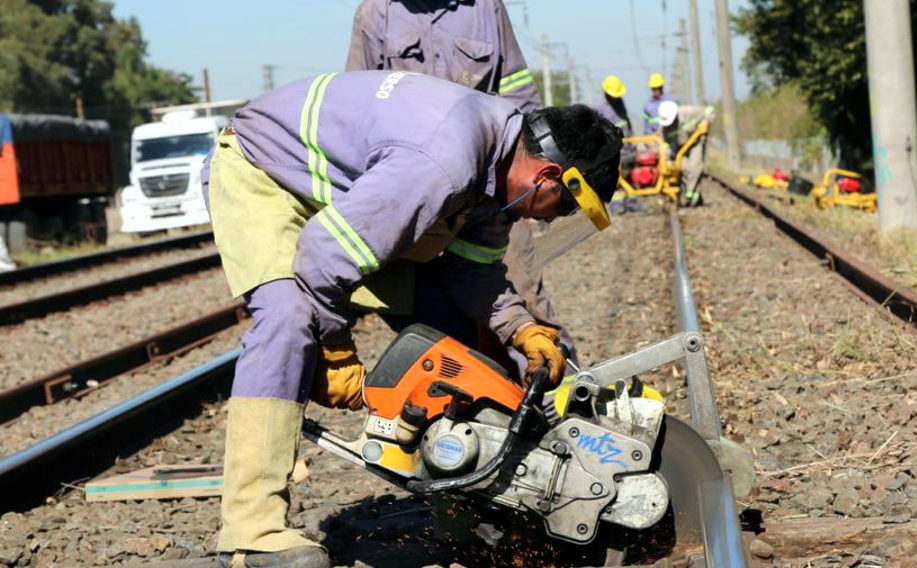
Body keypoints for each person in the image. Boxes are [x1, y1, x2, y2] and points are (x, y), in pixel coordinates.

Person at [205, 70, 622, 568]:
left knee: (452, 326)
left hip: (340, 202)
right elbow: (322, 255)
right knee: (289, 317)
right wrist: (335, 349)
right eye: (566, 206)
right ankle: (251, 531)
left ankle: (485, 487)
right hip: (264, 174)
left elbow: (474, 273)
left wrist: (521, 327)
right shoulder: (442, 161)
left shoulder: (501, 168)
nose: (552, 220)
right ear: (548, 176)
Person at [345, 0, 577, 373]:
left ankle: (557, 403)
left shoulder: (486, 7)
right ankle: (476, 402)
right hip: (417, 192)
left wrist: (533, 185)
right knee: (436, 313)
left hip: (492, 192)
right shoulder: (377, 13)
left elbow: (520, 96)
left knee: (520, 295)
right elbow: (359, 107)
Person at [660, 101, 714, 206]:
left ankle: (691, 196)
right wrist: (666, 160)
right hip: (680, 149)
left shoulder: (688, 112)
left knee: (695, 168)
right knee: (684, 169)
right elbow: (665, 145)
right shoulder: (665, 128)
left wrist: (706, 122)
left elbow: (709, 110)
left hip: (695, 143)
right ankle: (691, 195)